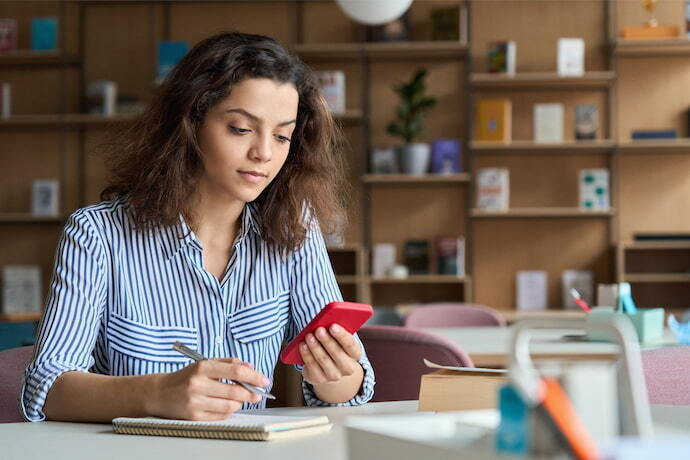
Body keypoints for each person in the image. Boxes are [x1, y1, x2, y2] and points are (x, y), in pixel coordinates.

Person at [21, 32, 375, 422]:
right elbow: (48, 389)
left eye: (282, 136)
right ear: (190, 123)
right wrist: (157, 394)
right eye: (241, 129)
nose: (264, 153)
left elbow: (347, 394)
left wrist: (336, 377)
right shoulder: (97, 235)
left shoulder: (294, 230)